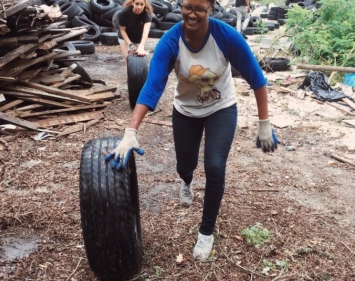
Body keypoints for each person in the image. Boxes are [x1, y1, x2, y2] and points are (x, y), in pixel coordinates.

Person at [107, 0, 278, 261]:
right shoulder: (170, 41)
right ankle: (186, 181)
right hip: (185, 111)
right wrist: (131, 130)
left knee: (214, 166)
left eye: (199, 8)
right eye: (188, 6)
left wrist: (264, 123)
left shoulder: (226, 37)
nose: (192, 13)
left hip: (222, 108)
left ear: (210, 8)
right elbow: (153, 87)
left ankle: (206, 232)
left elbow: (256, 78)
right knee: (184, 166)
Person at [117, 0, 153, 64]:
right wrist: (130, 45)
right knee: (129, 59)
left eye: (141, 4)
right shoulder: (124, 13)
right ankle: (129, 74)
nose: (139, 7)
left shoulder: (147, 13)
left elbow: (146, 31)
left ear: (145, 4)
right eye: (137, 4)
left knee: (139, 59)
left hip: (137, 37)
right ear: (133, 3)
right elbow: (122, 30)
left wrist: (141, 46)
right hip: (125, 36)